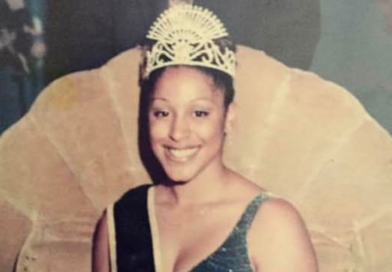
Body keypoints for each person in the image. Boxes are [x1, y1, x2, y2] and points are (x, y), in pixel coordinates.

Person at [92, 4, 318, 272]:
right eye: (162, 112)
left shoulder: (272, 224)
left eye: (199, 113)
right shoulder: (119, 220)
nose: (177, 132)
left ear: (229, 116)